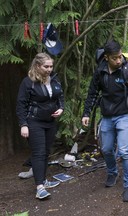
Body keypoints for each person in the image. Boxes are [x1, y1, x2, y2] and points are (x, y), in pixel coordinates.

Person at [82, 39, 128, 202]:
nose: (118, 60)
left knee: (125, 151)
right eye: (115, 58)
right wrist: (86, 113)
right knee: (106, 149)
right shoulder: (100, 71)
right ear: (106, 57)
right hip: (107, 116)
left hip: (124, 115)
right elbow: (92, 93)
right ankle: (112, 173)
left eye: (120, 57)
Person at [16, 52, 64, 199]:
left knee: (46, 152)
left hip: (50, 122)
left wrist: (61, 108)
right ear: (37, 66)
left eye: (51, 66)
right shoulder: (28, 82)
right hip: (34, 121)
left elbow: (60, 96)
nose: (49, 69)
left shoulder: (54, 79)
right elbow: (21, 104)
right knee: (39, 152)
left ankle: (43, 180)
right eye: (46, 66)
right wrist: (23, 124)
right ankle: (40, 187)